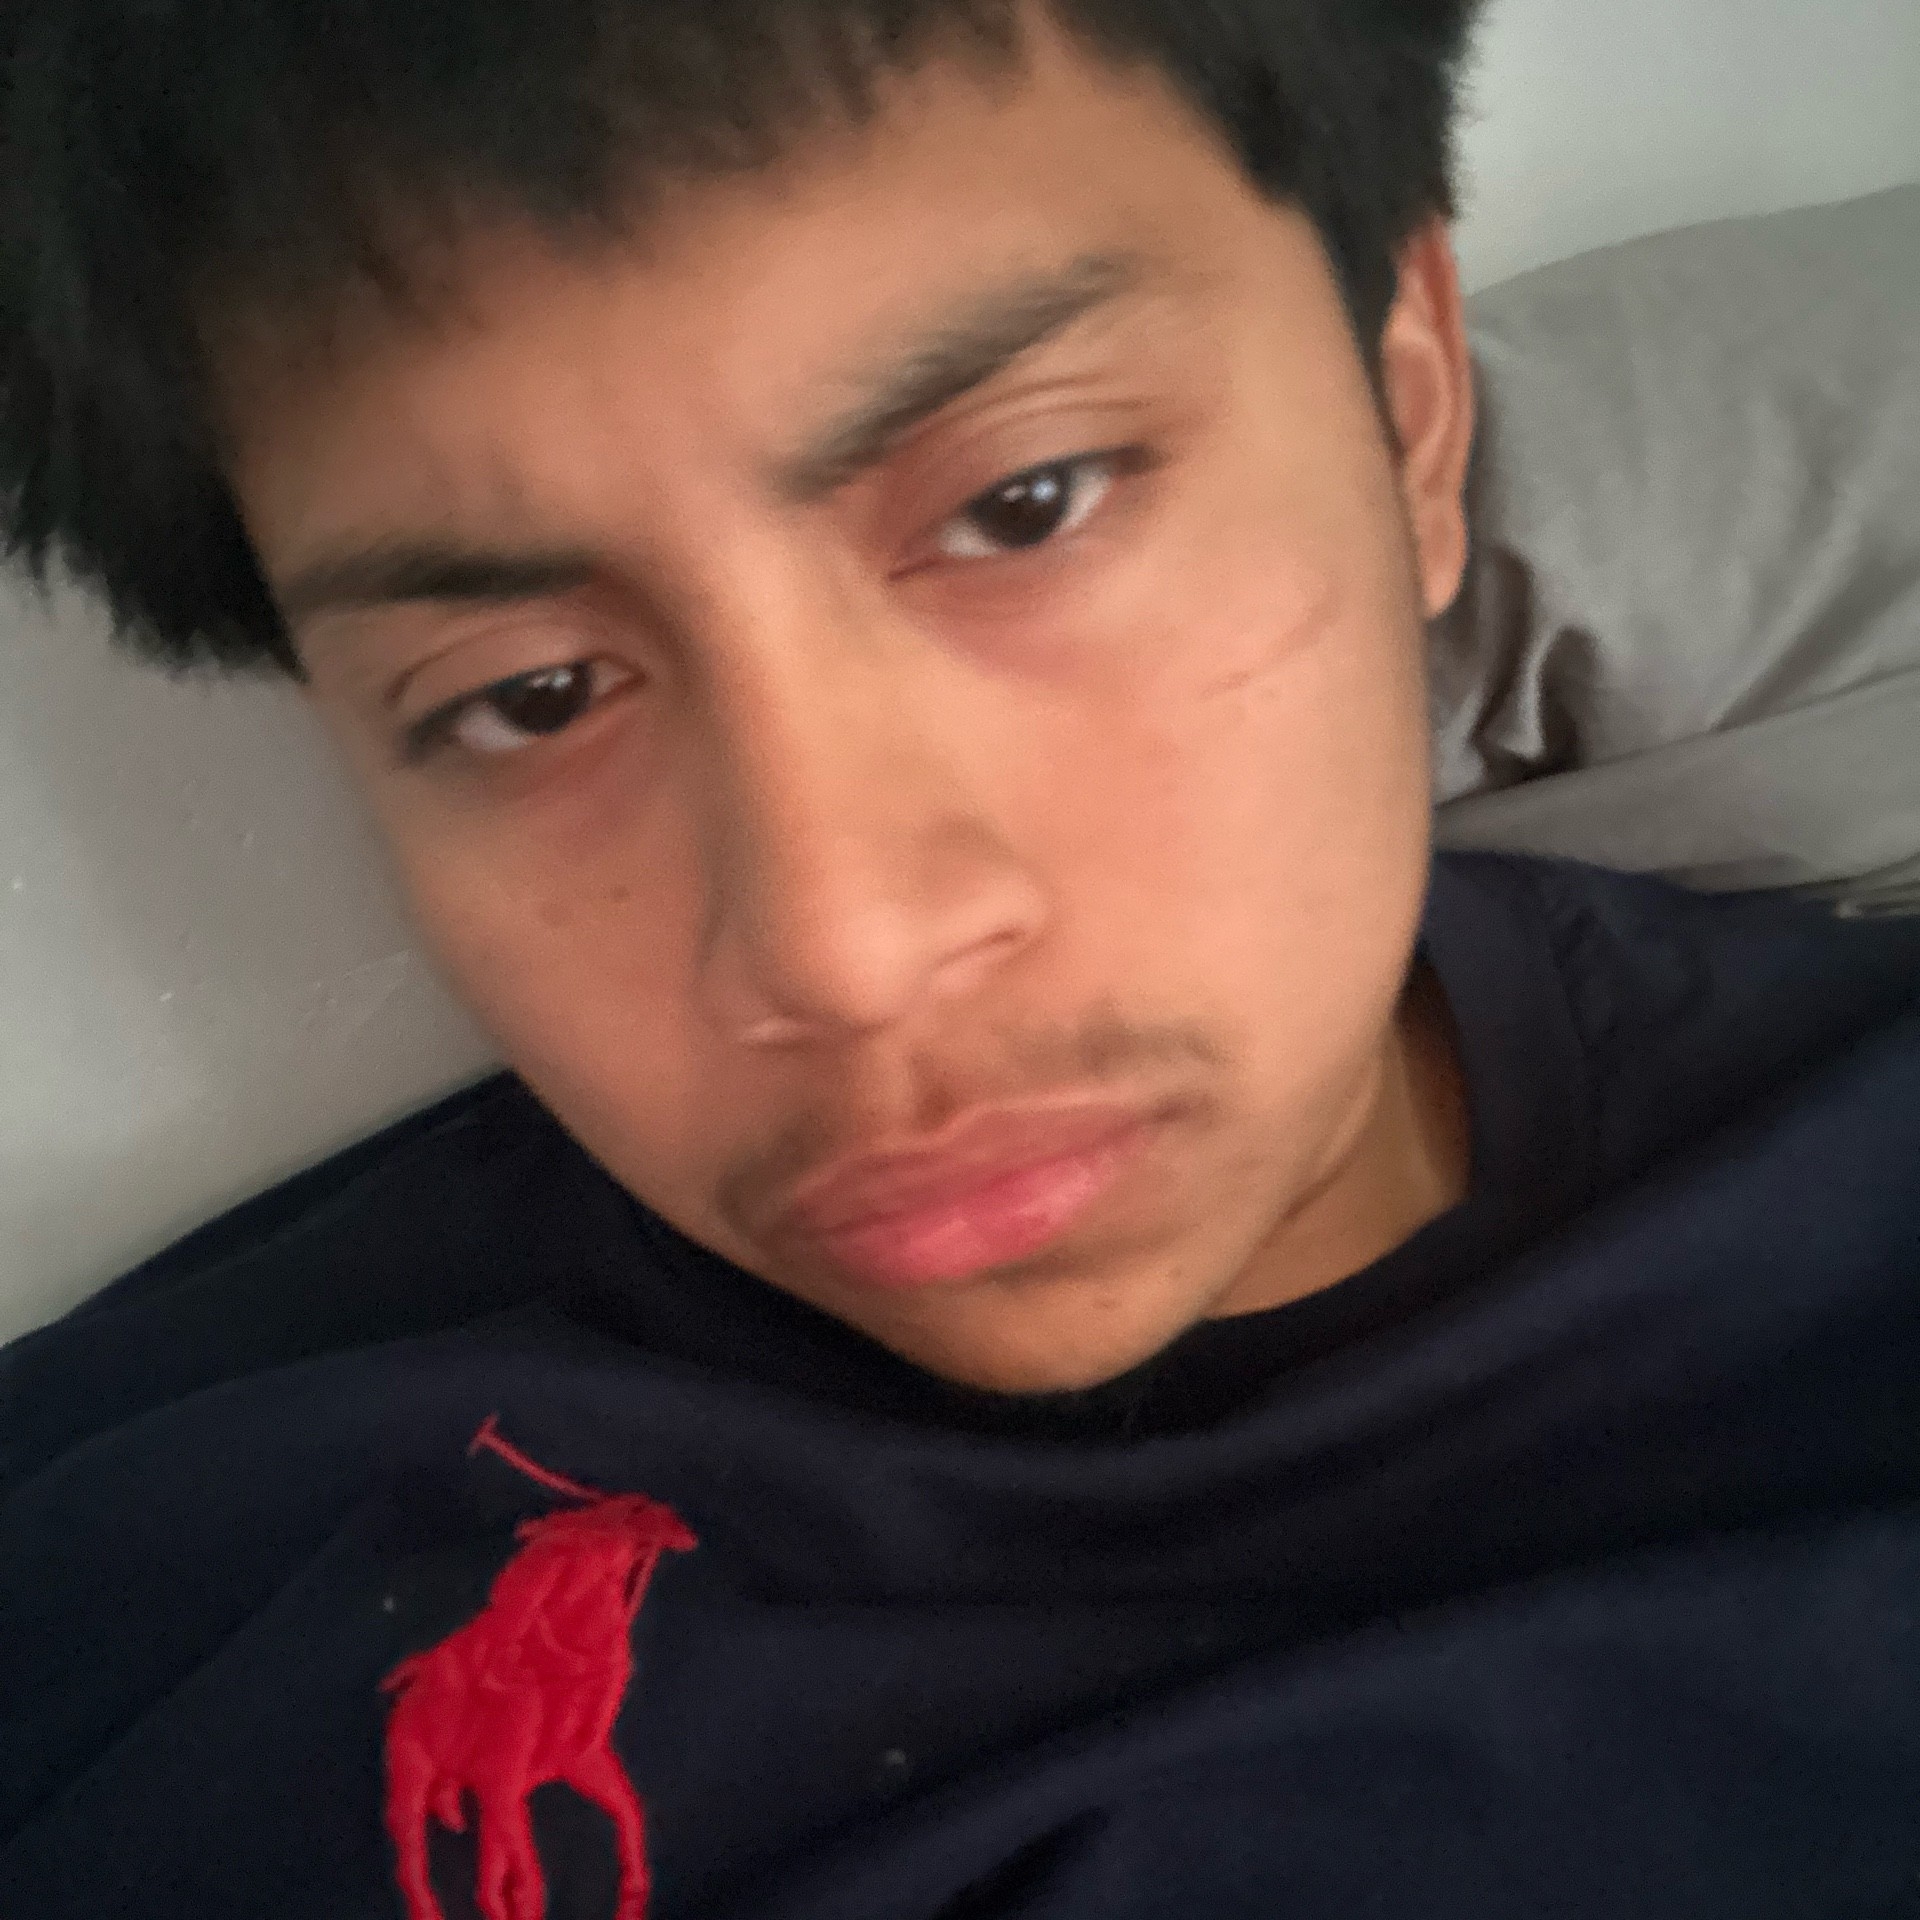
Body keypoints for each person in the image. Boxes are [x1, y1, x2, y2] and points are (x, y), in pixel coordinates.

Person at [2, 2, 1916, 1915]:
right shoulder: (142, 1555)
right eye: (533, 696)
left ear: (1406, 414)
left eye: (1026, 506)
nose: (843, 951)